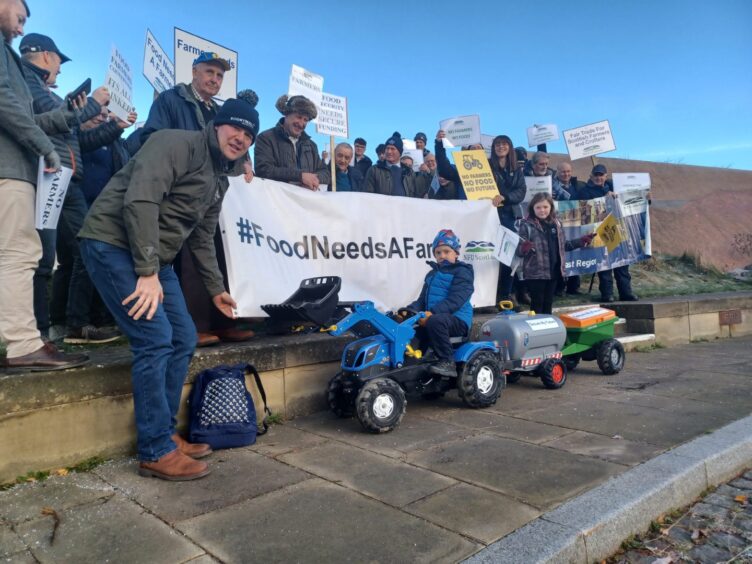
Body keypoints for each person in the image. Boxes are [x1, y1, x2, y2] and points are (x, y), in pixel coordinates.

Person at [78, 95, 260, 481]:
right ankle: (155, 449)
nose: (241, 138)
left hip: (153, 259)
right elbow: (140, 201)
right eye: (235, 128)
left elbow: (202, 236)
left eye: (248, 135)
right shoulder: (174, 143)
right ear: (217, 125)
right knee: (155, 338)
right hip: (113, 244)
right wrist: (146, 271)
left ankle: (163, 432)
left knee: (182, 337)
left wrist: (215, 289)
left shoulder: (219, 178)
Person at [137, 52, 255, 347]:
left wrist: (245, 163)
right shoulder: (170, 100)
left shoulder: (219, 111)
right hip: (177, 192)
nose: (215, 79)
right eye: (210, 72)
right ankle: (195, 325)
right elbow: (153, 136)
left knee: (215, 251)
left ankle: (222, 320)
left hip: (210, 194)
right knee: (189, 258)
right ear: (194, 71)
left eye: (220, 76)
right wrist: (191, 151)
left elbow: (232, 148)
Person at [0, 0, 89, 370]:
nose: (21, 30)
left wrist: (68, 114)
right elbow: (6, 104)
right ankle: (22, 344)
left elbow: (28, 113)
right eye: (20, 18)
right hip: (11, 169)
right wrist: (43, 148)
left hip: (13, 166)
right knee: (19, 254)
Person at [20, 32, 120, 344]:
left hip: (66, 179)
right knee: (44, 257)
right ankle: (39, 333)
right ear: (47, 56)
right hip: (47, 175)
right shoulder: (26, 80)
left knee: (87, 248)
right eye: (59, 61)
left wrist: (113, 127)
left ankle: (73, 325)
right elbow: (40, 122)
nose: (61, 69)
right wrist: (91, 105)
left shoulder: (41, 86)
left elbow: (78, 140)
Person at [401, 229, 473, 378]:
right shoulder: (432, 274)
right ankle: (413, 362)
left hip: (458, 319)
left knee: (435, 321)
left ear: (456, 253)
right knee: (408, 326)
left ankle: (447, 361)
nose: (442, 256)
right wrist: (409, 311)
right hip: (435, 317)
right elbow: (422, 300)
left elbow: (456, 300)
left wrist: (433, 312)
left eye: (447, 251)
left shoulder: (462, 272)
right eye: (438, 253)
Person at [516, 193, 594, 314]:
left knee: (548, 302)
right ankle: (536, 329)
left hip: (554, 271)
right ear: (533, 208)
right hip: (535, 273)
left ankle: (548, 329)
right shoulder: (526, 225)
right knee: (537, 303)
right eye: (538, 207)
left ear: (551, 208)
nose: (542, 210)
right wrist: (524, 248)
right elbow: (519, 251)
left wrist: (581, 241)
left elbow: (563, 246)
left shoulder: (556, 224)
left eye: (545, 207)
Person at [577, 163, 638, 302]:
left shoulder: (614, 187)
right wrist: (605, 197)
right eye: (596, 175)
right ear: (591, 176)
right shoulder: (585, 191)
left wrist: (646, 198)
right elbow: (585, 210)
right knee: (604, 264)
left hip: (616, 228)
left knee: (622, 263)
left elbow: (631, 200)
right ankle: (607, 294)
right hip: (598, 231)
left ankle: (626, 292)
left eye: (601, 175)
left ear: (605, 176)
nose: (599, 178)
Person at [254, 94, 330, 190]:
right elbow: (263, 170)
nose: (301, 123)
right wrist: (300, 176)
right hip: (276, 201)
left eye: (305, 120)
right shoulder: (265, 138)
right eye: (298, 117)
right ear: (286, 114)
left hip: (305, 202)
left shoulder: (311, 145)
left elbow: (325, 173)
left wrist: (313, 179)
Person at [488, 135, 527, 302]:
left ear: (509, 147)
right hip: (489, 215)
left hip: (508, 216)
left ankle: (506, 295)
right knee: (488, 255)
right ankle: (489, 295)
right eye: (497, 144)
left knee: (508, 256)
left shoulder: (516, 169)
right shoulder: (487, 166)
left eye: (504, 144)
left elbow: (521, 191)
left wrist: (505, 197)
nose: (500, 147)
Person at [552, 161, 585, 295]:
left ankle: (574, 287)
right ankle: (559, 287)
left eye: (568, 172)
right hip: (558, 225)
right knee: (560, 254)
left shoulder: (578, 186)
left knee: (575, 253)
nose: (566, 174)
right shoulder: (551, 187)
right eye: (563, 172)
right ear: (557, 172)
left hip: (575, 224)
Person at [363, 132, 429, 197]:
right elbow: (368, 195)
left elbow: (417, 194)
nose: (389, 152)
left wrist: (425, 174)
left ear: (400, 152)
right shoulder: (374, 170)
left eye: (392, 149)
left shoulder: (409, 172)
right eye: (387, 148)